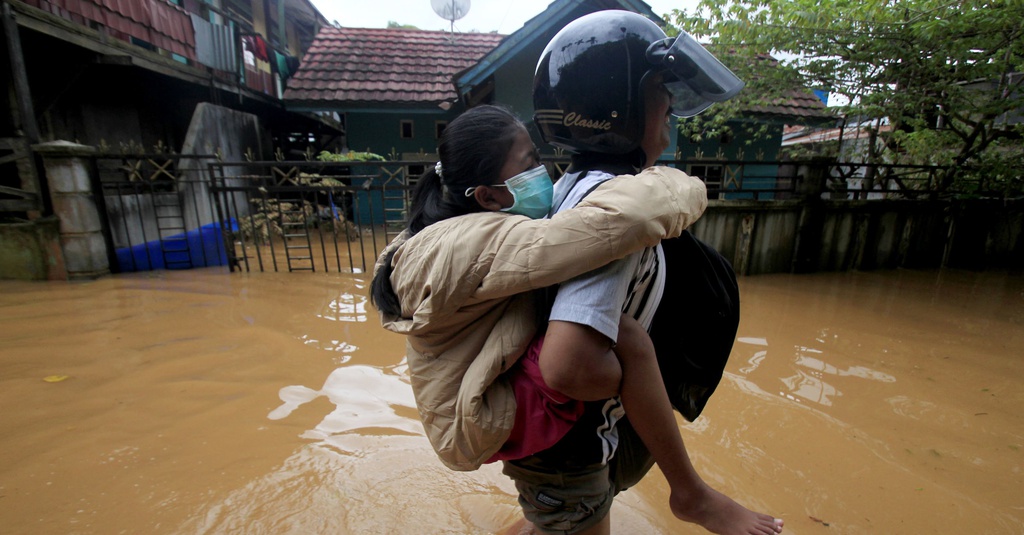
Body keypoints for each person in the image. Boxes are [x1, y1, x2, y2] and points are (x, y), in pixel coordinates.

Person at [500, 10, 785, 535]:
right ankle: (692, 494)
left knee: (551, 522)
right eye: (661, 93)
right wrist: (633, 375)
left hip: (549, 440)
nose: (671, 107)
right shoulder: (615, 218)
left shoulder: (573, 189)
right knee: (570, 517)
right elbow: (568, 366)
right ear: (620, 107)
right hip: (573, 449)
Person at [370, 105, 709, 472]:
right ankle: (687, 489)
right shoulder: (479, 243)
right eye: (528, 164)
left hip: (468, 407)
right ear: (486, 197)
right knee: (617, 341)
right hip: (483, 416)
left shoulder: (440, 232)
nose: (542, 172)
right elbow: (621, 222)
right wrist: (683, 183)